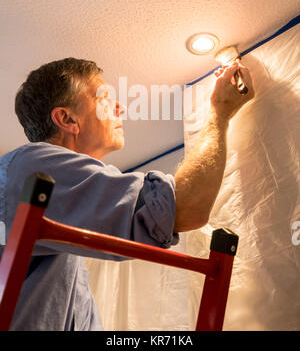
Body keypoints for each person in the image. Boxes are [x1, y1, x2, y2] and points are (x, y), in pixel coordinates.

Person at [0, 57, 254, 330]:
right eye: (104, 98)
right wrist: (220, 112)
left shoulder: (54, 212)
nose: (120, 107)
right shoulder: (33, 168)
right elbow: (184, 208)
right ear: (67, 118)